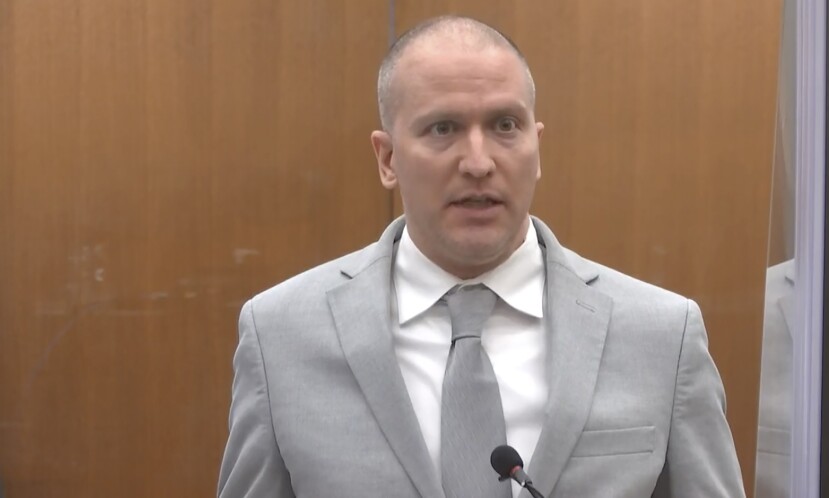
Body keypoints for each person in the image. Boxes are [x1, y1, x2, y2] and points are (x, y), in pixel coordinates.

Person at [218, 15, 745, 498]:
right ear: (387, 158)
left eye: (505, 126)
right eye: (442, 129)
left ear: (537, 148)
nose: (478, 162)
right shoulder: (280, 336)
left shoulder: (662, 335)